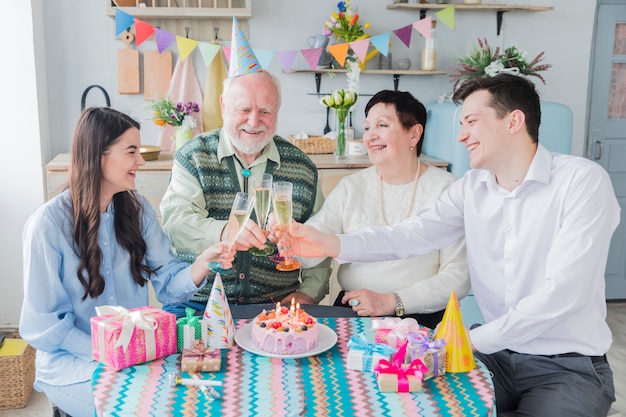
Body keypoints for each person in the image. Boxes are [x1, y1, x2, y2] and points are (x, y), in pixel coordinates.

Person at [278, 74, 618, 416]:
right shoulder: (472, 187)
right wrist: (331, 243)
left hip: (566, 366)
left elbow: (562, 294)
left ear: (514, 121)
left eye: (471, 121)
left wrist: (467, 340)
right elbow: (409, 235)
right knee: (399, 405)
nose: (461, 135)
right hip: (494, 358)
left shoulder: (581, 182)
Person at [18, 107, 235, 417]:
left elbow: (169, 287)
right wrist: (108, 353)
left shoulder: (137, 210)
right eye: (131, 151)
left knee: (194, 398)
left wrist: (203, 261)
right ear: (99, 156)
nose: (141, 161)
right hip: (73, 364)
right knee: (143, 406)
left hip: (133, 358)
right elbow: (44, 326)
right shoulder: (47, 226)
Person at [159, 70, 332, 317]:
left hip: (277, 308)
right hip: (196, 304)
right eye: (244, 109)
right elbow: (176, 225)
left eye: (265, 111)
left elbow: (321, 238)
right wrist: (223, 232)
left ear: (278, 110)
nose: (253, 121)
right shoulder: (193, 156)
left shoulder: (302, 167)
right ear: (223, 105)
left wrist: (309, 293)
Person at [299, 90, 469, 329]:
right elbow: (312, 244)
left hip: (420, 318)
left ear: (414, 134)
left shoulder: (447, 189)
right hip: (354, 311)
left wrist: (393, 302)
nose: (370, 136)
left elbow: (458, 277)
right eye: (367, 128)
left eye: (382, 125)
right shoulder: (352, 186)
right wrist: (290, 241)